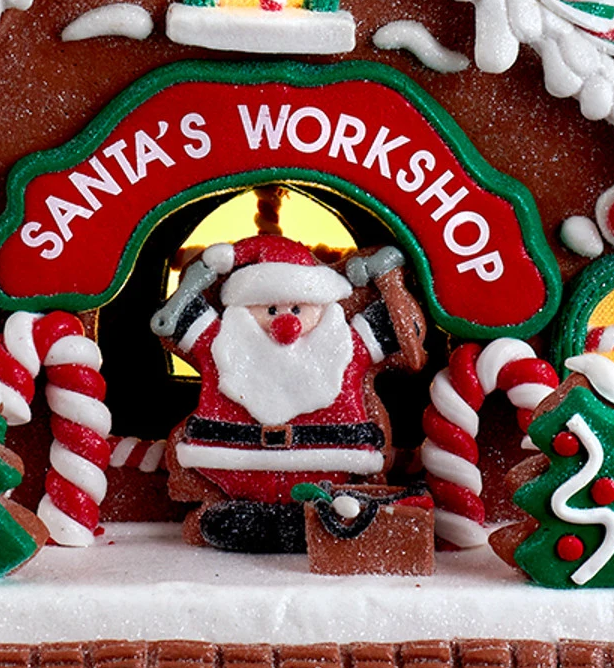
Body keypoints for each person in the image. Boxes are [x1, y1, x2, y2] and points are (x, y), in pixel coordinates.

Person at [151, 235, 425, 553]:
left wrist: (390, 283)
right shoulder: (222, 343)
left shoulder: (345, 346)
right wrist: (196, 280)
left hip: (327, 467)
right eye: (270, 309)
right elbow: (171, 320)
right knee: (223, 524)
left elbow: (408, 337)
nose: (286, 323)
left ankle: (310, 521)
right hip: (232, 465)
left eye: (297, 309)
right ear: (244, 309)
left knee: (321, 519)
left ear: (321, 308)